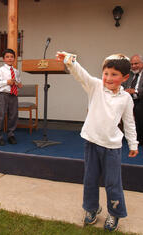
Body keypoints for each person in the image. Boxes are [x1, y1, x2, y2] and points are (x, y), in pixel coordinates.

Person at [56, 52, 138, 232]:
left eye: (114, 74)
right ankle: (91, 209)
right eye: (106, 73)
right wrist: (70, 60)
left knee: (112, 182)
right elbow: (81, 74)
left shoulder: (125, 99)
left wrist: (133, 144)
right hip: (92, 143)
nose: (108, 78)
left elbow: (129, 123)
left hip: (112, 148)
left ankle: (114, 212)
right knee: (90, 179)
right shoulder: (95, 86)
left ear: (125, 78)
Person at [0, 48, 23, 146]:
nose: (10, 59)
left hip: (13, 95)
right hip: (3, 95)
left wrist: (18, 84)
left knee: (13, 115)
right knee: (1, 116)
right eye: (7, 57)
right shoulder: (0, 70)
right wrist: (7, 82)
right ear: (3, 59)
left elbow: (17, 81)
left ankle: (11, 134)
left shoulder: (16, 71)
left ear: (14, 59)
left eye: (12, 57)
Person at [122, 54, 143, 145]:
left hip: (140, 99)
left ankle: (139, 138)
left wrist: (135, 91)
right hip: (128, 99)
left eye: (136, 63)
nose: (133, 66)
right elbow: (121, 85)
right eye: (132, 64)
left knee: (138, 109)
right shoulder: (129, 74)